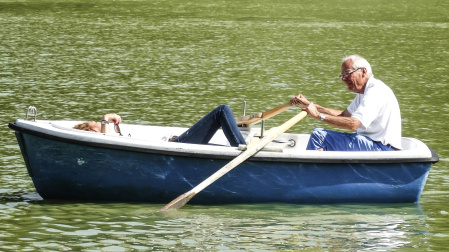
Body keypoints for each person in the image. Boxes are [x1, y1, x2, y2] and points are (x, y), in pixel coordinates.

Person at [290, 55, 402, 151]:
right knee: (323, 138)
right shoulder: (364, 92)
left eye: (347, 73)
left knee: (319, 136)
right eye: (342, 75)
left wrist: (318, 116)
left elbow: (353, 124)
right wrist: (311, 106)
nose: (343, 79)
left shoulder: (375, 91)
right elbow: (344, 116)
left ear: (363, 71)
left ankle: (311, 174)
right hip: (374, 145)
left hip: (381, 149)